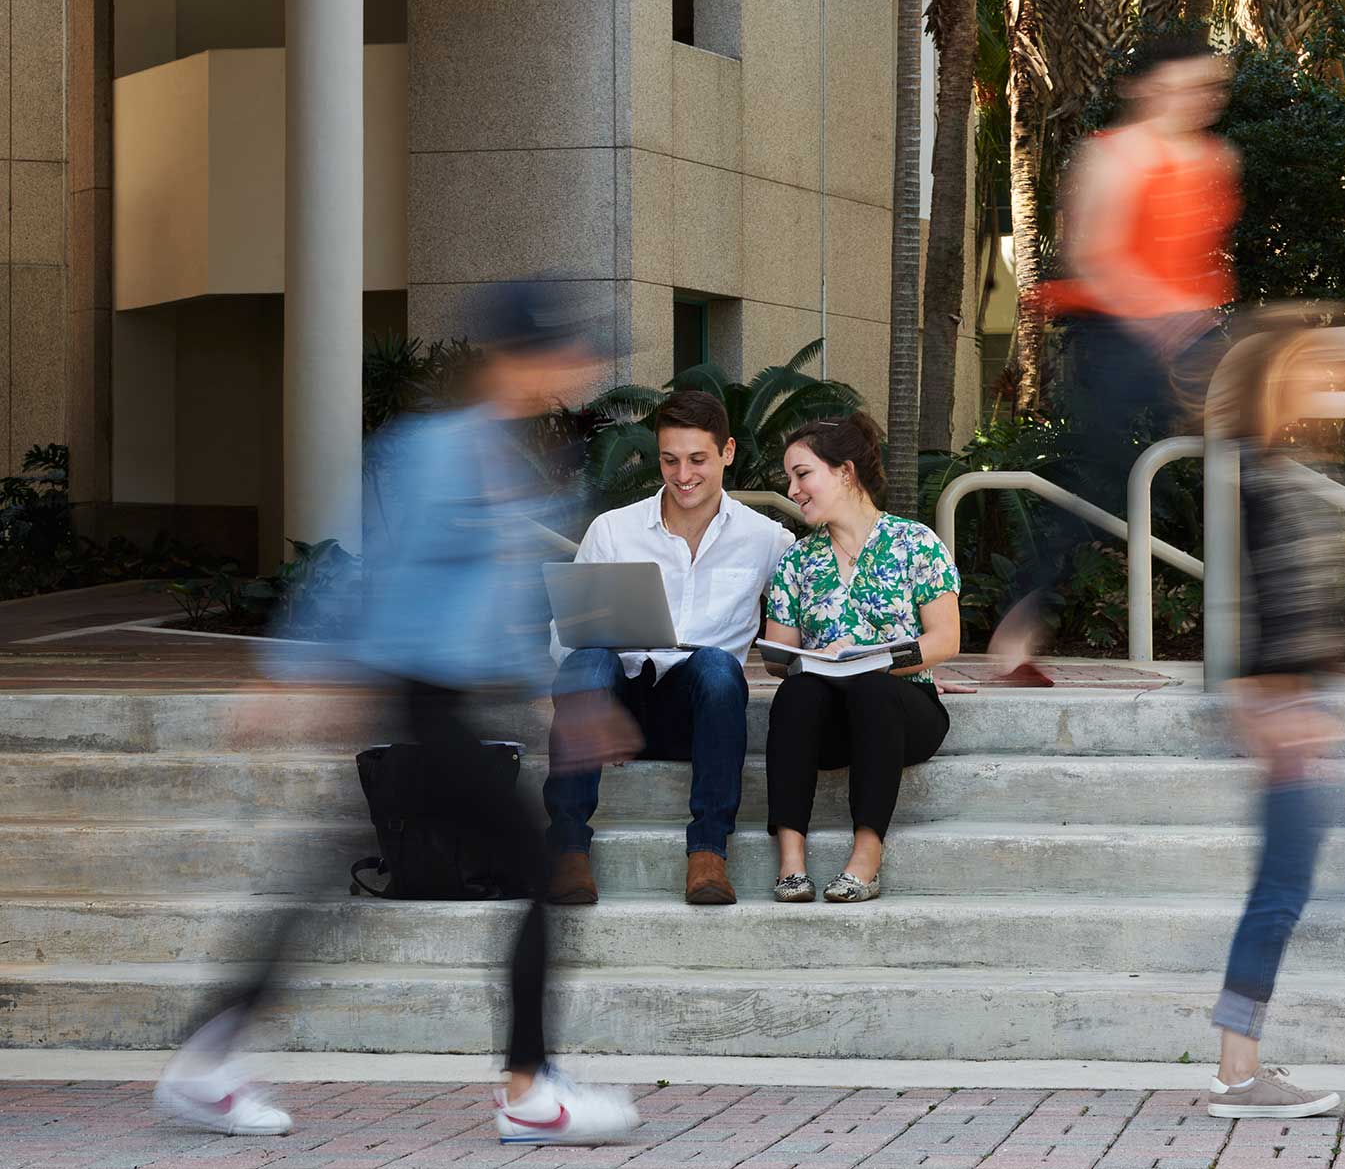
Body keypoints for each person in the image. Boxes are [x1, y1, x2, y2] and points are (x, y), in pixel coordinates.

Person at [152, 286, 642, 1147]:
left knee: (323, 883)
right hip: (421, 701)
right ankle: (530, 1090)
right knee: (535, 869)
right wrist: (289, 674)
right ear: (514, 358)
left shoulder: (508, 456)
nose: (577, 372)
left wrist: (563, 695)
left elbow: (499, 603)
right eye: (563, 355)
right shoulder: (437, 453)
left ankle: (207, 1061)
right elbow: (364, 569)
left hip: (450, 704)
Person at [992, 35, 1241, 682]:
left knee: (1252, 450)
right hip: (1113, 331)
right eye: (1185, 85)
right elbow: (1098, 258)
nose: (1200, 98)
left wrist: (1195, 325)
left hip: (1186, 332)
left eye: (1209, 86)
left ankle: (1261, 629)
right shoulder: (1113, 158)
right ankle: (1019, 625)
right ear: (1146, 89)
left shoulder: (1215, 158)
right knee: (1098, 475)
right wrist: (1164, 320)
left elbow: (1202, 261)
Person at [1202, 316, 1345, 1121]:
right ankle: (1238, 1073)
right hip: (1283, 707)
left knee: (1285, 889)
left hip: (1296, 703)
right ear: (1278, 380)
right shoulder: (1253, 474)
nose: (1323, 383)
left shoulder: (1271, 467)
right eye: (1309, 369)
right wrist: (1268, 702)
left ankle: (1240, 1065)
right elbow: (1251, 602)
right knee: (1281, 893)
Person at [544, 390, 794, 906]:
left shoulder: (767, 539)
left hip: (697, 714)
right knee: (587, 658)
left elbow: (812, 625)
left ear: (727, 452)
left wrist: (901, 667)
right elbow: (563, 633)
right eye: (670, 459)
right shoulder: (613, 529)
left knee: (720, 667)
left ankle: (708, 854)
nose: (683, 475)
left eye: (698, 459)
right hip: (615, 709)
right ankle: (567, 850)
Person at [759, 413, 962, 902]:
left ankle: (865, 859)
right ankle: (791, 862)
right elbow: (776, 653)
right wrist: (817, 658)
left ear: (845, 472)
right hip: (827, 719)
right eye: (789, 479)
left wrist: (871, 658)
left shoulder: (916, 544)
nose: (793, 490)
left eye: (802, 474)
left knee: (872, 688)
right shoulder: (798, 558)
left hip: (902, 710)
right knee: (797, 690)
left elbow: (945, 640)